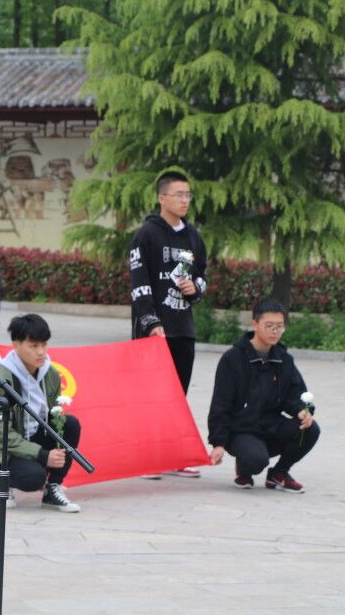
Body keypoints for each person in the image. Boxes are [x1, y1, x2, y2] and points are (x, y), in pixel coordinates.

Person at [129, 170, 208, 478]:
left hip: (183, 327)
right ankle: (145, 457)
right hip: (154, 330)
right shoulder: (146, 235)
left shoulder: (194, 236)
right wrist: (150, 322)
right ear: (162, 198)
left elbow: (202, 275)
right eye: (179, 195)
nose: (185, 200)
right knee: (150, 395)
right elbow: (139, 282)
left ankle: (173, 456)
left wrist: (194, 288)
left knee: (178, 395)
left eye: (188, 195)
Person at [0, 314, 82, 512]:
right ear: (16, 344)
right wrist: (43, 455)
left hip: (31, 434)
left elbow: (54, 416)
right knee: (34, 477)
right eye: (33, 346)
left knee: (69, 424)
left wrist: (54, 448)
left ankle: (53, 489)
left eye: (44, 345)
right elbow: (1, 434)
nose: (41, 352)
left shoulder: (50, 373)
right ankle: (2, 479)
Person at [207, 299, 320, 493]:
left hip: (271, 425)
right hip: (241, 430)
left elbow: (296, 393)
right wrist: (218, 443)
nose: (275, 331)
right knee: (256, 460)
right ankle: (245, 467)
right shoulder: (232, 359)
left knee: (310, 429)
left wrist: (302, 411)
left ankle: (279, 473)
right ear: (254, 324)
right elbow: (220, 404)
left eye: (279, 326)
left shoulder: (284, 359)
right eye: (269, 326)